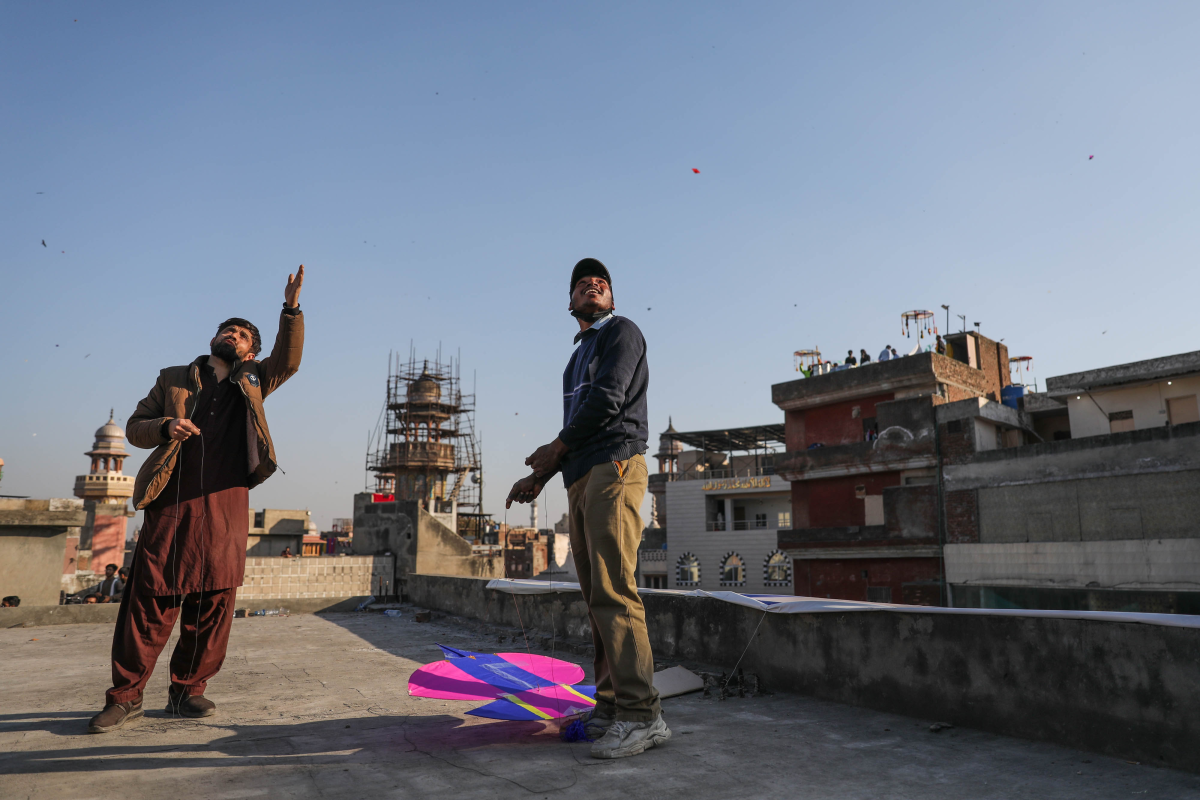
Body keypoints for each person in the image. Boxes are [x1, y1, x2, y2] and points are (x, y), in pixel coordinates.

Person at [87, 266, 305, 734]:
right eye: (229, 329)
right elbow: (135, 426)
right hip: (172, 500)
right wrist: (167, 426)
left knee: (214, 601)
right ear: (215, 337)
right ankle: (125, 698)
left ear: (252, 351)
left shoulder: (253, 381)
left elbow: (289, 360)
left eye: (244, 334)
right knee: (148, 602)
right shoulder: (174, 379)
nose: (234, 334)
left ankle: (188, 691)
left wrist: (290, 310)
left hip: (225, 505)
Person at [506, 258, 669, 760]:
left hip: (615, 467)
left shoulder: (621, 331)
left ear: (612, 299)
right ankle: (610, 707)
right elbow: (578, 430)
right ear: (570, 304)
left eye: (601, 281)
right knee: (597, 595)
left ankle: (644, 716)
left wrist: (554, 450)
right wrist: (544, 475)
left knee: (615, 590)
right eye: (581, 283)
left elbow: (608, 401)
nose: (592, 284)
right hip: (583, 475)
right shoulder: (574, 360)